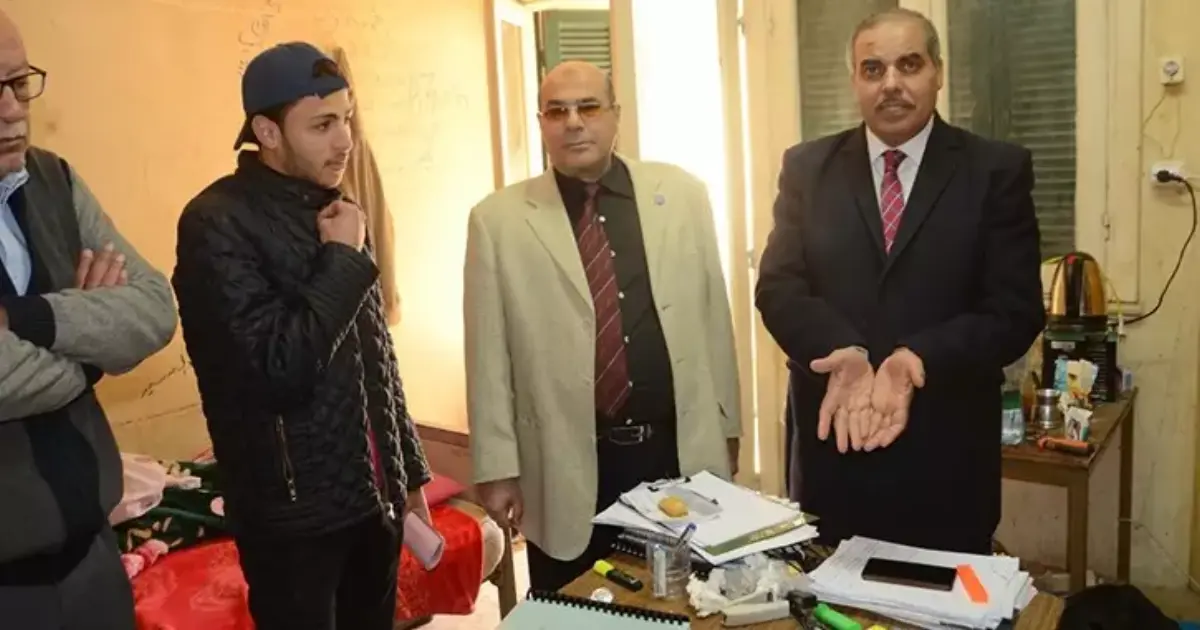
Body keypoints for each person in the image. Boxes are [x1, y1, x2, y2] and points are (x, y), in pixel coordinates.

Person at [756, 8, 1045, 554]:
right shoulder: (807, 169)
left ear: (938, 72)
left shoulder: (994, 171)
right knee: (826, 595)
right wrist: (841, 348)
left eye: (909, 65)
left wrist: (918, 357)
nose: (890, 83)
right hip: (834, 454)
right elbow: (778, 287)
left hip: (947, 461)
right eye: (873, 69)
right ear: (855, 80)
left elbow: (1015, 310)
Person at [172, 42, 431, 630]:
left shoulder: (338, 209)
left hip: (374, 503)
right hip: (294, 521)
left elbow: (376, 357)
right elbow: (277, 369)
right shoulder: (216, 222)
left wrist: (408, 472)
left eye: (347, 119)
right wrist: (341, 261)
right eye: (322, 125)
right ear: (267, 132)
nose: (344, 141)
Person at [464, 60, 742, 592]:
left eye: (588, 107)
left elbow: (714, 318)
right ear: (541, 123)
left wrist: (727, 428)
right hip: (564, 463)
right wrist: (495, 467)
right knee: (576, 608)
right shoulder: (498, 220)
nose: (573, 122)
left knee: (684, 604)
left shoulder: (683, 195)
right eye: (557, 111)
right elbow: (487, 357)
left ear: (616, 115)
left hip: (673, 450)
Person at [0, 9, 177, 628]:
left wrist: (28, 319)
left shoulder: (53, 179)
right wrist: (93, 346)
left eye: (18, 83)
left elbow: (154, 309)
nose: (12, 109)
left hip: (92, 564)